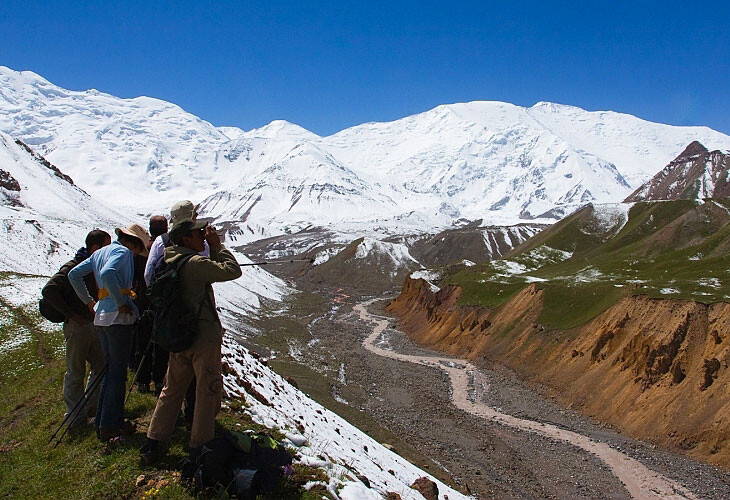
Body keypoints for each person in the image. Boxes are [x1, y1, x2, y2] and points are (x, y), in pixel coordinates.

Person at [141, 208, 241, 463]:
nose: (203, 238)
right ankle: (200, 447)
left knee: (171, 389)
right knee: (207, 390)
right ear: (186, 238)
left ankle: (153, 441)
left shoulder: (170, 259)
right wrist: (218, 246)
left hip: (178, 335)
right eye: (198, 234)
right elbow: (231, 270)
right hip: (202, 337)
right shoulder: (195, 263)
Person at [68, 223, 151, 441]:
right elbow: (109, 272)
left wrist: (89, 302)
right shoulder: (123, 252)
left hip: (101, 316)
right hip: (117, 317)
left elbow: (74, 274)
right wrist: (120, 300)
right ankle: (111, 425)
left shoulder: (101, 252)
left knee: (108, 371)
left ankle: (103, 421)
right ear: (134, 244)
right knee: (117, 374)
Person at [41, 230, 111, 426]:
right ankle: (74, 418)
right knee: (75, 371)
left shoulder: (91, 265)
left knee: (101, 365)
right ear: (96, 248)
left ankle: (91, 407)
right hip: (77, 326)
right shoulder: (73, 268)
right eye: (106, 245)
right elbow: (49, 290)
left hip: (91, 324)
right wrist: (71, 315)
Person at [133, 215, 170, 395]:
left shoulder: (141, 250)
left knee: (143, 342)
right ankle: (158, 381)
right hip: (159, 302)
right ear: (167, 228)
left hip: (142, 301)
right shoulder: (166, 248)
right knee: (161, 344)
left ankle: (142, 381)